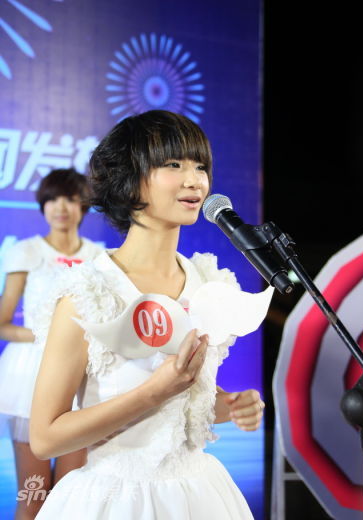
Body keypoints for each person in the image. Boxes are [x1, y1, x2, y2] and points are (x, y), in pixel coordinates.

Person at [30, 111, 266, 519]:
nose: (194, 181)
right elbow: (45, 438)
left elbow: (185, 408)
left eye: (200, 166)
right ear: (129, 178)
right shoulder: (88, 293)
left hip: (199, 494)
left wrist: (231, 404)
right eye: (173, 165)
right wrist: (153, 392)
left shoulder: (209, 284)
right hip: (115, 499)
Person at [0, 168, 103, 519]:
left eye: (71, 199)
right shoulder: (26, 252)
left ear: (83, 206)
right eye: (53, 199)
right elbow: (3, 323)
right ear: (43, 205)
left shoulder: (99, 256)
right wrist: (47, 336)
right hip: (29, 376)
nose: (61, 207)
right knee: (34, 494)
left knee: (71, 498)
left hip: (80, 377)